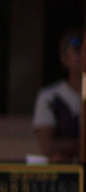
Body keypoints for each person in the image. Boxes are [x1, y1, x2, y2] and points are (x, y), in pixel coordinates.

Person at [34, 28, 82, 162]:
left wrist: (66, 146)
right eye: (77, 49)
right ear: (64, 58)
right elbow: (48, 146)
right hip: (67, 177)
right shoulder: (49, 97)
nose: (83, 54)